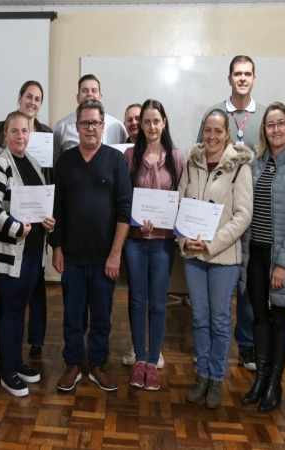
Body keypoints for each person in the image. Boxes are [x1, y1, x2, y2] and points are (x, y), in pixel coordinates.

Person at [52, 99, 132, 393]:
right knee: (72, 317)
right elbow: (56, 209)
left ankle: (97, 365)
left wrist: (115, 254)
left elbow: (125, 210)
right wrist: (56, 248)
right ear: (77, 127)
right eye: (84, 123)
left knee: (101, 317)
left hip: (103, 258)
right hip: (71, 257)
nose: (90, 128)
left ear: (103, 126)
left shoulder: (115, 160)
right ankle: (73, 364)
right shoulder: (65, 162)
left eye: (95, 123)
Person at [239, 103, 285, 412]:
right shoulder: (254, 165)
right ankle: (260, 378)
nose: (276, 129)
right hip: (254, 254)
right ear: (264, 131)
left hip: (282, 258)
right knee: (258, 316)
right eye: (270, 125)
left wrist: (282, 263)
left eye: (281, 123)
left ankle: (274, 383)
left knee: (279, 319)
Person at [179, 109, 253, 409]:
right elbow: (180, 202)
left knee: (220, 321)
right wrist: (185, 239)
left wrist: (211, 243)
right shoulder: (192, 162)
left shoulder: (240, 167)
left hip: (223, 258)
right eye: (207, 130)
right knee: (199, 318)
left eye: (218, 131)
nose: (212, 136)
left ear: (227, 134)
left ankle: (216, 379)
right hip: (192, 256)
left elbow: (243, 215)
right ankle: (202, 374)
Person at [197, 55, 265, 372]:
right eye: (237, 73)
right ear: (229, 78)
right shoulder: (215, 113)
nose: (242, 78)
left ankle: (247, 344)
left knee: (249, 281)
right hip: (219, 214)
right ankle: (212, 349)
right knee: (223, 282)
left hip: (252, 209)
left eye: (247, 73)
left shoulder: (264, 115)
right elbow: (203, 155)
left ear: (254, 78)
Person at [0, 110, 56, 397]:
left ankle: (15, 360)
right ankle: (7, 372)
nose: (20, 136)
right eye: (14, 131)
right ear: (5, 134)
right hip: (10, 254)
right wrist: (17, 228)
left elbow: (41, 206)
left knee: (19, 310)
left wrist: (47, 222)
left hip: (32, 254)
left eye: (24, 131)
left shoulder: (35, 164)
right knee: (11, 312)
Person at [123, 100, 184, 391]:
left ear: (164, 122)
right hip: (135, 242)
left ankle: (151, 362)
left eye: (156, 121)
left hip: (163, 243)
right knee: (137, 300)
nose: (151, 127)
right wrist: (137, 223)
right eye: (146, 122)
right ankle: (139, 361)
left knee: (158, 303)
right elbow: (124, 200)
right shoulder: (130, 156)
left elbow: (181, 200)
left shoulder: (176, 158)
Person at [53, 74, 128, 163]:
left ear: (100, 97)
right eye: (85, 90)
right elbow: (55, 163)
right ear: (78, 97)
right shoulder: (61, 127)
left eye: (94, 90)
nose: (89, 94)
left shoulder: (118, 126)